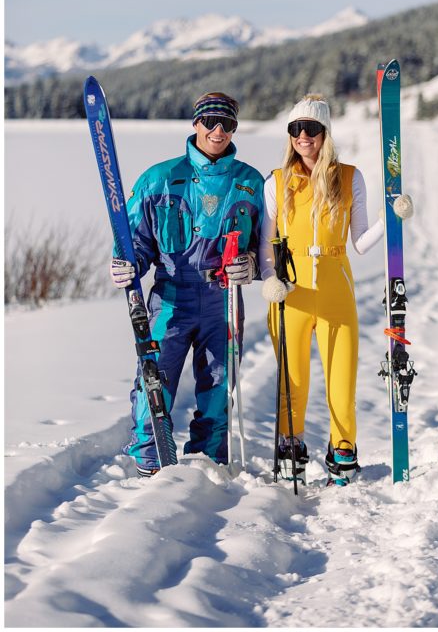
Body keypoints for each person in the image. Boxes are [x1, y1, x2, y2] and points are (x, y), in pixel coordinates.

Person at [259, 95, 413, 486]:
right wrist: (269, 279)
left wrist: (390, 220)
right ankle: (289, 444)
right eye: (296, 129)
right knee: (292, 380)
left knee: (341, 380)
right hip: (292, 294)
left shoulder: (348, 177)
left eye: (311, 129)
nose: (303, 137)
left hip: (336, 292)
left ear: (325, 133)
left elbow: (360, 242)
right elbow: (266, 242)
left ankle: (342, 448)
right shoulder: (276, 182)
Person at [109, 92, 264, 477]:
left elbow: (270, 246)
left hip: (223, 299)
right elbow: (135, 241)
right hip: (171, 295)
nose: (217, 130)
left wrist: (253, 266)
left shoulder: (251, 183)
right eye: (210, 121)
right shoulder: (159, 179)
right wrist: (126, 265)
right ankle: (150, 456)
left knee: (218, 381)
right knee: (154, 375)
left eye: (226, 123)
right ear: (195, 124)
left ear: (234, 128)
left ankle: (207, 462)